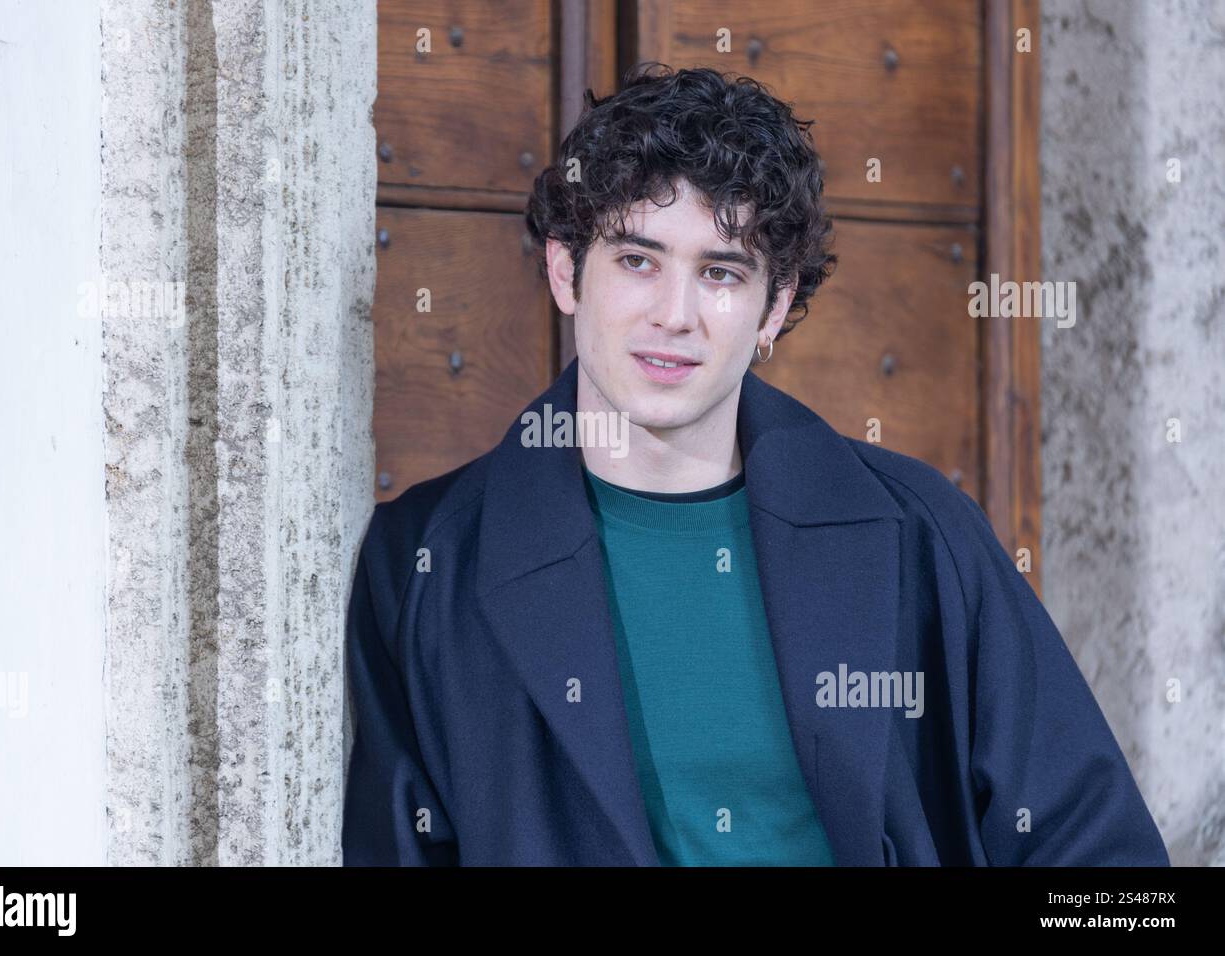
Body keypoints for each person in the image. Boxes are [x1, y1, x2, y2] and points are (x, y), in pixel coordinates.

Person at [341, 64, 1168, 866]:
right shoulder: (423, 559)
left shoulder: (924, 532)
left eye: (721, 273)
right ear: (566, 270)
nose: (675, 315)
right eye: (637, 259)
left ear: (775, 305)